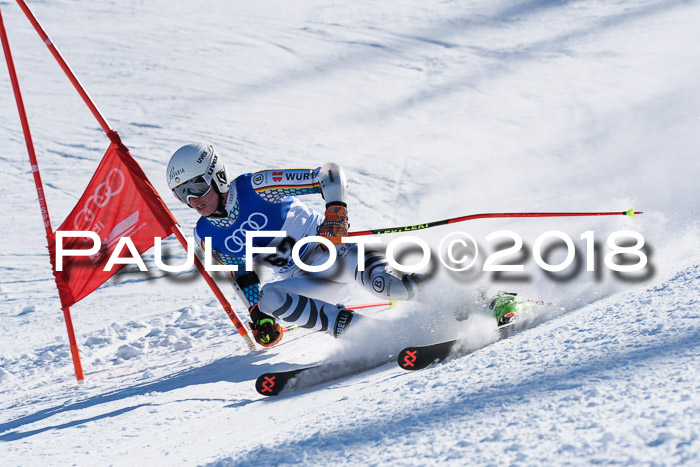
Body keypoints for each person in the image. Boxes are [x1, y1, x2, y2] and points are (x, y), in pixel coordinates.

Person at [166, 142, 422, 347]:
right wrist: (260, 316)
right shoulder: (204, 234)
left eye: (197, 187)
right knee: (269, 298)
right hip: (304, 280)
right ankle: (369, 335)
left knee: (390, 287)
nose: (192, 200)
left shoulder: (257, 187)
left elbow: (328, 174)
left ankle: (448, 292)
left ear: (217, 176)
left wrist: (336, 214)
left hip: (333, 253)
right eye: (181, 193)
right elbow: (241, 273)